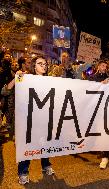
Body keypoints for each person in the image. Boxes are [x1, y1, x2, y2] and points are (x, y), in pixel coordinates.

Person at [14, 56, 55, 185]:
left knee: (45, 143)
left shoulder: (50, 81)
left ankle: (46, 165)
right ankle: (23, 172)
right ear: (34, 66)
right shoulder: (26, 78)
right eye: (40, 63)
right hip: (30, 119)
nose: (44, 66)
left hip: (45, 119)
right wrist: (18, 75)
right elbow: (9, 88)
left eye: (45, 64)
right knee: (29, 145)